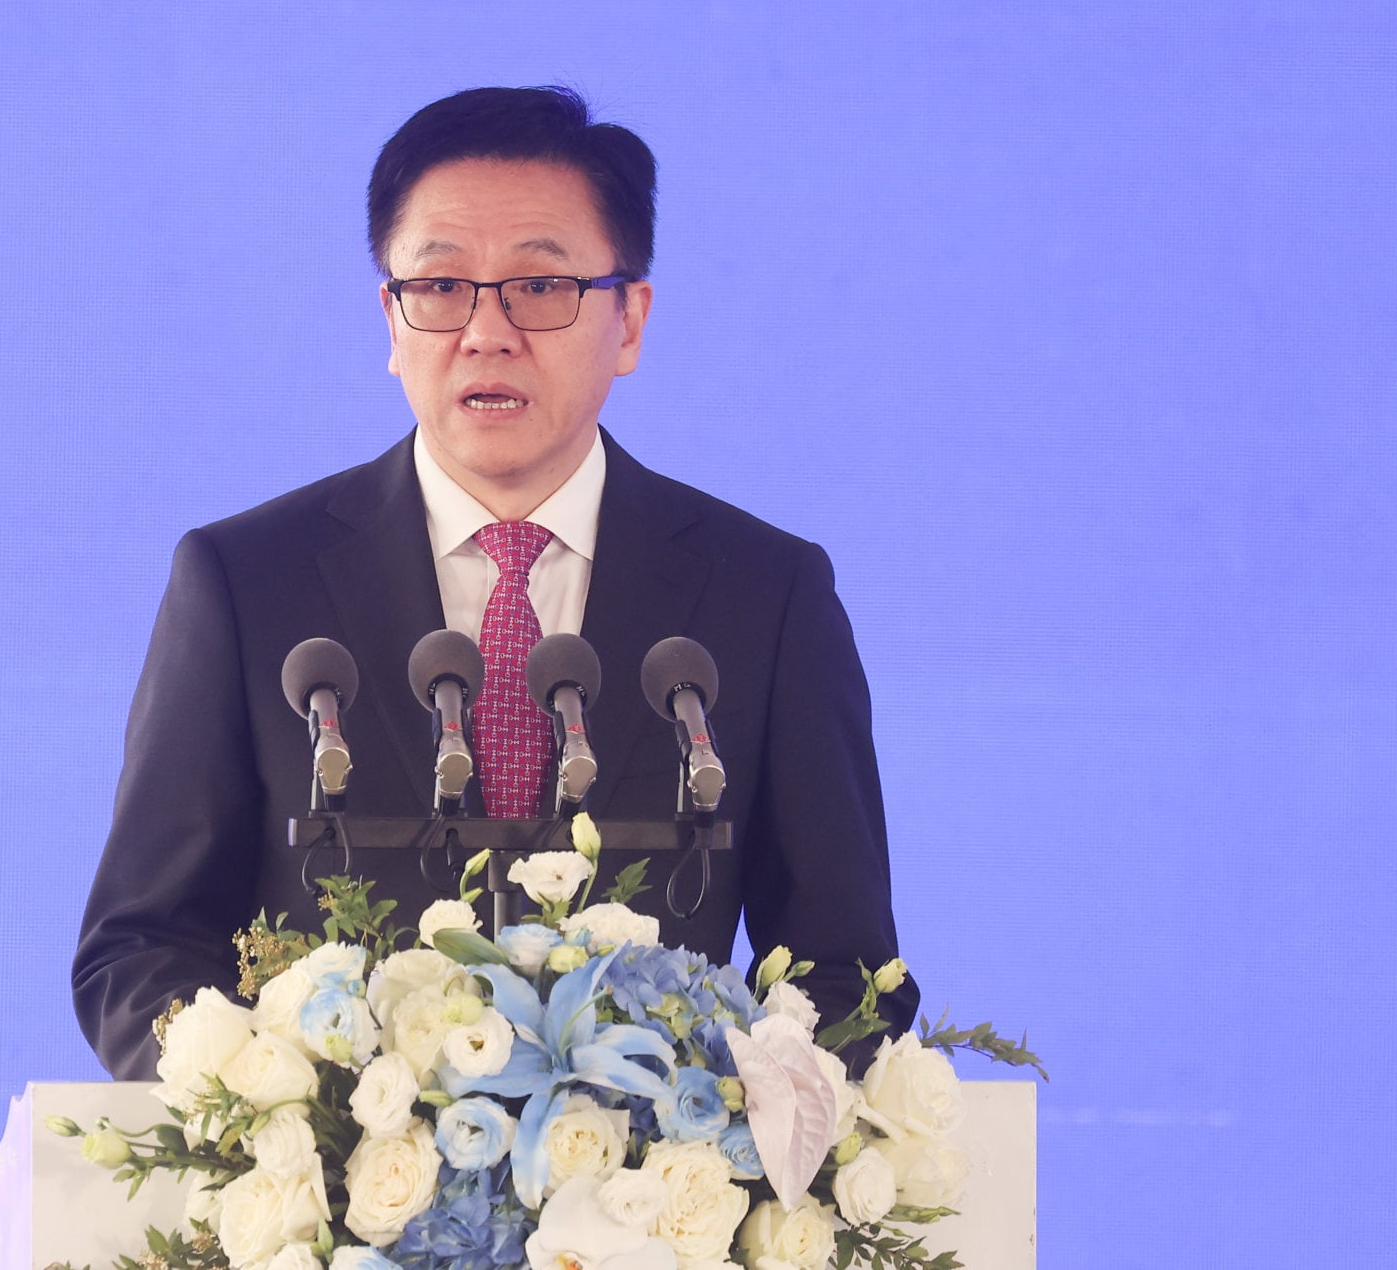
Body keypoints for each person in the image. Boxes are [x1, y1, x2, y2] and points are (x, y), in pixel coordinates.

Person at [73, 86, 917, 1081]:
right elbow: (141, 949)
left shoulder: (764, 595)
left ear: (630, 320)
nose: (485, 331)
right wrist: (279, 1113)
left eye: (539, 286)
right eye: (439, 287)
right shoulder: (246, 581)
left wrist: (699, 1126)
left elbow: (846, 974)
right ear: (391, 321)